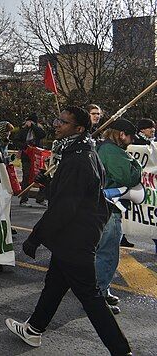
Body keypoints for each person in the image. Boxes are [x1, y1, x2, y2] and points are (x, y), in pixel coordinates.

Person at [6, 106, 130, 355]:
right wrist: (49, 184)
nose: (56, 125)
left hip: (76, 238)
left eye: (62, 122)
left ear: (79, 129)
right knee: (54, 284)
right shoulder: (79, 153)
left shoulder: (79, 159)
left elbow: (65, 207)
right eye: (56, 119)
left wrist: (35, 237)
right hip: (73, 236)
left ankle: (121, 351)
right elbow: (74, 195)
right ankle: (33, 330)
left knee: (91, 297)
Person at [95, 119, 142, 315]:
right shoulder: (112, 151)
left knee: (100, 251)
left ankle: (99, 291)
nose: (130, 142)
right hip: (109, 208)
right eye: (130, 137)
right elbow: (128, 178)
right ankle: (98, 295)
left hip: (101, 207)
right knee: (107, 253)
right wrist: (136, 165)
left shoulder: (103, 148)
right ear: (121, 134)